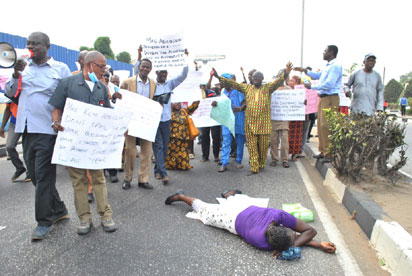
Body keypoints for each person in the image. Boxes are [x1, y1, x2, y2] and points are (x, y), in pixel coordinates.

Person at [5, 32, 70, 241]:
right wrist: (15, 76)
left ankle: (44, 221)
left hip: (48, 130)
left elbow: (70, 97)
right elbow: (10, 93)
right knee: (34, 173)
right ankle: (59, 208)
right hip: (26, 129)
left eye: (36, 44)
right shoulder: (23, 67)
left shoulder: (60, 69)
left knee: (43, 176)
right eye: (29, 43)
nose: (31, 46)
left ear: (47, 46)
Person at [49, 51, 121, 235]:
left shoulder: (101, 88)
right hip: (74, 144)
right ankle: (84, 219)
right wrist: (56, 122)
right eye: (101, 66)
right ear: (89, 65)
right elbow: (56, 108)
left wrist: (119, 125)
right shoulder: (67, 83)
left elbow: (107, 113)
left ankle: (106, 216)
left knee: (98, 178)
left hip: (94, 145)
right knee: (78, 181)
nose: (104, 71)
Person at [164, 190, 336, 257]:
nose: (293, 234)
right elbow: (302, 235)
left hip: (245, 208)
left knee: (233, 201)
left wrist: (319, 244)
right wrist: (314, 245)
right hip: (229, 219)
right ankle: (181, 197)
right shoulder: (261, 242)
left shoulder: (277, 215)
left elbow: (306, 233)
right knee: (204, 210)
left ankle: (229, 194)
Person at [212, 63, 293, 175]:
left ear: (262, 79)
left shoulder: (268, 88)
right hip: (250, 123)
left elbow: (278, 81)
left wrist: (287, 72)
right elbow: (233, 83)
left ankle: (260, 163)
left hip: (264, 124)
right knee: (252, 147)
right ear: (252, 79)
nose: (256, 80)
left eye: (258, 78)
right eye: (254, 78)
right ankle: (254, 167)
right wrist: (217, 77)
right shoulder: (247, 88)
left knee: (263, 148)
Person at [294, 45, 342, 163]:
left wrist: (312, 86)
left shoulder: (335, 66)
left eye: (325, 51)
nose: (323, 52)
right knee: (321, 125)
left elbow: (329, 84)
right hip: (323, 98)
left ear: (331, 52)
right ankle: (323, 151)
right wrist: (305, 71)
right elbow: (318, 76)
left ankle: (329, 153)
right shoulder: (327, 66)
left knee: (327, 126)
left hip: (330, 98)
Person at [151, 48, 189, 185]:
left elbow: (183, 76)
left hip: (166, 120)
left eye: (165, 72)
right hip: (154, 121)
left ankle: (157, 170)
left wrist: (185, 58)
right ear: (156, 73)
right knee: (159, 146)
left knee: (165, 146)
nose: (163, 75)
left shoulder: (170, 84)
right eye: (161, 72)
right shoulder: (151, 85)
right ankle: (164, 173)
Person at [121, 47, 156, 190]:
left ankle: (143, 179)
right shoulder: (128, 82)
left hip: (147, 122)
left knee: (146, 152)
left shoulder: (153, 84)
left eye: (148, 67)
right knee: (130, 151)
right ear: (139, 67)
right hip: (131, 122)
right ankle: (127, 179)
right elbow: (121, 99)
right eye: (143, 66)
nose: (145, 69)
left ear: (150, 69)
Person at [213, 73, 246, 172]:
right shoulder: (223, 91)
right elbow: (220, 104)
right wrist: (215, 104)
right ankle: (224, 162)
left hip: (238, 118)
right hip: (226, 119)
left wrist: (240, 108)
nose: (221, 83)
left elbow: (245, 102)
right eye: (221, 81)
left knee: (239, 140)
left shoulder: (238, 91)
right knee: (226, 139)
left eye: (223, 81)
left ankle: (238, 160)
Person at [0, 101, 31, 182]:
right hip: (14, 123)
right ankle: (20, 168)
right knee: (9, 146)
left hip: (28, 123)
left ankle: (30, 173)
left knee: (27, 150)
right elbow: (8, 109)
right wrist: (2, 127)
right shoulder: (12, 91)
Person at [165, 101, 200, 170]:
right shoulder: (167, 112)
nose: (177, 104)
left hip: (183, 137)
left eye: (179, 102)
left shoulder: (184, 111)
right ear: (171, 104)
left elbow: (194, 105)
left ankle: (182, 165)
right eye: (175, 102)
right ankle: (172, 165)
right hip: (172, 138)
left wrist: (197, 96)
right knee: (172, 153)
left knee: (183, 153)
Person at [201, 73, 222, 163]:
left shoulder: (212, 93)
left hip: (214, 118)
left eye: (204, 86)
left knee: (216, 137)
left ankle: (216, 156)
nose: (203, 87)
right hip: (204, 119)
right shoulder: (197, 95)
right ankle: (205, 156)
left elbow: (218, 102)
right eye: (201, 86)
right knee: (204, 137)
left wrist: (215, 103)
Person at [270, 81, 290, 168]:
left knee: (284, 140)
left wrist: (301, 102)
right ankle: (274, 159)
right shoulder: (271, 89)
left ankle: (285, 160)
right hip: (273, 117)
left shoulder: (289, 90)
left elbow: (295, 101)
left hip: (284, 118)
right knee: (273, 140)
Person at [287, 76, 305, 161]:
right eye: (290, 80)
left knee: (297, 136)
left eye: (292, 81)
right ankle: (288, 152)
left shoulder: (301, 91)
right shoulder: (286, 91)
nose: (290, 82)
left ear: (296, 82)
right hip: (289, 117)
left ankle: (295, 153)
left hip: (298, 117)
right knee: (289, 135)